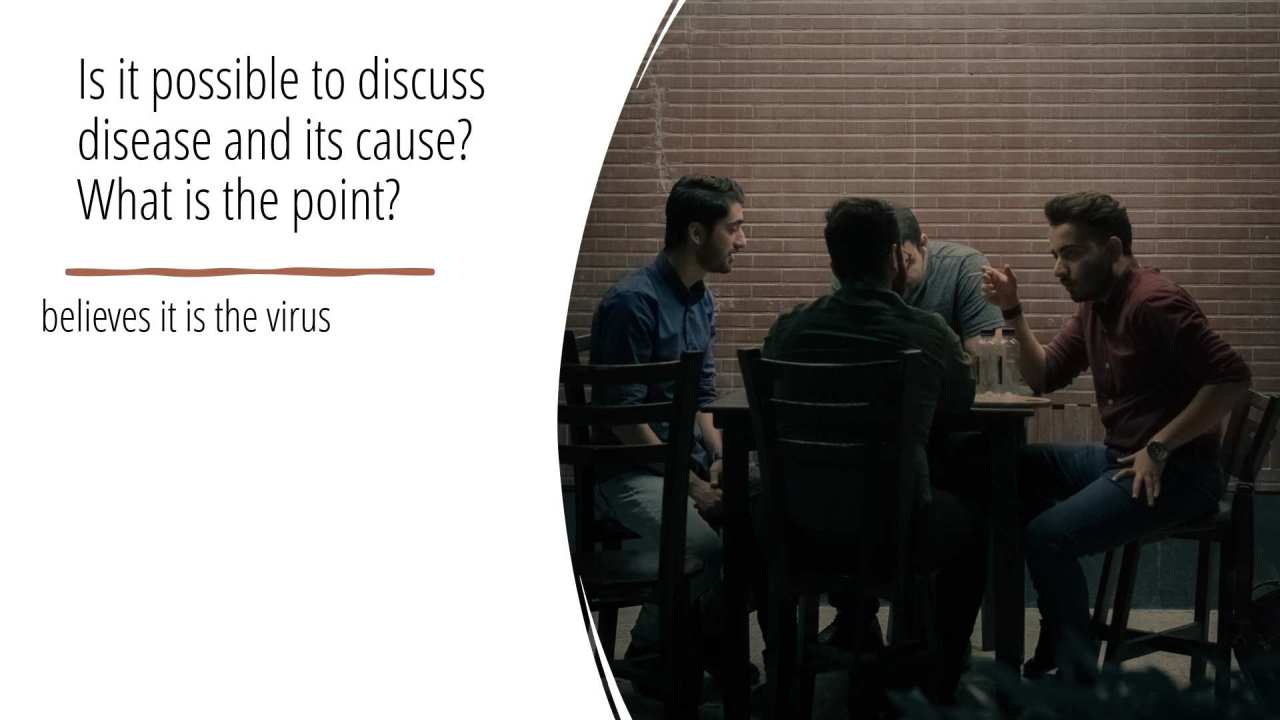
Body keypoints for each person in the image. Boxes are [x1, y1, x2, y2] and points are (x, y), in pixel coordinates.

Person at [981, 191, 1251, 680]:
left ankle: (1078, 674)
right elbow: (1044, 376)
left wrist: (1160, 446)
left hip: (1178, 475)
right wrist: (1013, 311)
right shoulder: (1095, 305)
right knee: (1015, 468)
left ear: (1111, 248)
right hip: (1120, 459)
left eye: (1070, 254)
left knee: (1047, 537)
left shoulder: (1154, 302)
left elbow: (1232, 378)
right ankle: (1063, 627)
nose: (1058, 269)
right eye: (1054, 255)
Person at [762, 197, 987, 704]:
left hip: (798, 527)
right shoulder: (927, 332)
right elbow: (961, 402)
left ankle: (791, 669)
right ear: (893, 258)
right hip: (895, 530)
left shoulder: (788, 330)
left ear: (833, 261)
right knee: (972, 528)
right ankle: (939, 677)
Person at [589, 174, 747, 678]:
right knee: (704, 548)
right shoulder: (631, 303)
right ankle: (648, 651)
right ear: (697, 233)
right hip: (627, 473)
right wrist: (692, 485)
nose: (743, 241)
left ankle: (699, 645)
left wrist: (718, 455)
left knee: (756, 529)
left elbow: (701, 400)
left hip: (678, 466)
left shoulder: (701, 298)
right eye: (734, 228)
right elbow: (624, 420)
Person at [837, 207, 1004, 353]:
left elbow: (988, 356)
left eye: (906, 261)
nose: (895, 273)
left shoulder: (964, 266)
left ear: (923, 244)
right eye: (886, 264)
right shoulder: (854, 274)